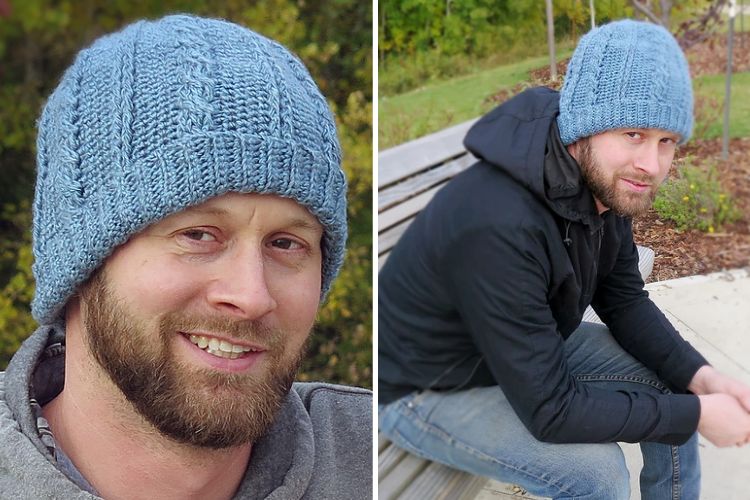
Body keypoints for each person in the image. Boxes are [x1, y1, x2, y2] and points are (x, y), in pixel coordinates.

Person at [0, 14, 371, 499]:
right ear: (80, 265)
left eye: (286, 243)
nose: (252, 295)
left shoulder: (365, 456)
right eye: (198, 234)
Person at [378, 19, 750, 500]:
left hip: (521, 344)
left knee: (677, 385)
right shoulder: (497, 222)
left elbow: (624, 299)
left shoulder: (601, 179)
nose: (652, 165)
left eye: (666, 142)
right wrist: (700, 416)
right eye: (634, 133)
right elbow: (551, 411)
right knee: (597, 473)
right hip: (430, 385)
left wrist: (704, 378)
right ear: (585, 126)